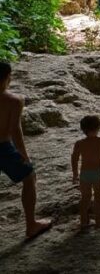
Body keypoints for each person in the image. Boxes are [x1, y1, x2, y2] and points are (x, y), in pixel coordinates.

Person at [0, 61, 52, 240]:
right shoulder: (15, 101)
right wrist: (24, 154)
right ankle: (31, 225)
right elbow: (15, 130)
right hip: (3, 147)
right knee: (29, 177)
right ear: (8, 78)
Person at [71, 115, 100, 230]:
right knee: (98, 198)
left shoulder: (79, 143)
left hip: (85, 174)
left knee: (85, 198)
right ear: (99, 127)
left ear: (83, 129)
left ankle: (83, 222)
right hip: (98, 174)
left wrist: (75, 173)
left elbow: (74, 159)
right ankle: (98, 222)